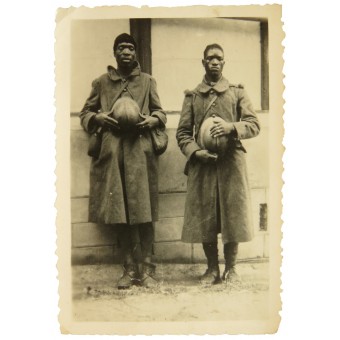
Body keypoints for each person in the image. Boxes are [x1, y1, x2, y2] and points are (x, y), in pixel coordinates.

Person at [80, 33, 166, 289]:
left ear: (136, 53)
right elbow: (85, 112)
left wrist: (153, 119)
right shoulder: (101, 83)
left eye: (130, 48)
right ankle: (129, 269)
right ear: (115, 53)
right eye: (121, 48)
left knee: (145, 212)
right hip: (113, 154)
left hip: (140, 152)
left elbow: (160, 112)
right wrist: (98, 119)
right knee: (120, 213)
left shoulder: (148, 81)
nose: (126, 52)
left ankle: (148, 268)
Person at [176, 43, 260, 285]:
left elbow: (254, 124)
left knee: (232, 216)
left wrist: (231, 127)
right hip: (203, 164)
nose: (214, 61)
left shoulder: (237, 92)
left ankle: (231, 269)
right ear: (203, 63)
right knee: (206, 216)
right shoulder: (192, 96)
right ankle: (211, 268)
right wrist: (195, 152)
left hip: (231, 163)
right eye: (210, 58)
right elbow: (182, 134)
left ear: (224, 63)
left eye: (218, 58)